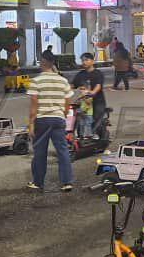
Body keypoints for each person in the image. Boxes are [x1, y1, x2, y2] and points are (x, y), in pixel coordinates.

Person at [26, 50, 74, 192]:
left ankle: (38, 182)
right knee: (63, 151)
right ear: (53, 63)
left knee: (40, 152)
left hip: (42, 120)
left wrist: (31, 124)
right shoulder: (62, 80)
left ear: (42, 62)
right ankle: (67, 182)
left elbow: (34, 105)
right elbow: (68, 102)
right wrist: (63, 114)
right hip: (58, 119)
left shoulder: (36, 81)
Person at [72, 53, 106, 137]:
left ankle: (95, 134)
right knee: (76, 117)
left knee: (96, 117)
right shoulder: (80, 74)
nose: (84, 62)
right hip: (83, 102)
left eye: (86, 60)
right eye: (82, 60)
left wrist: (93, 92)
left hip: (97, 101)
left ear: (92, 61)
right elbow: (73, 85)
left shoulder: (98, 73)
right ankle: (79, 135)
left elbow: (98, 85)